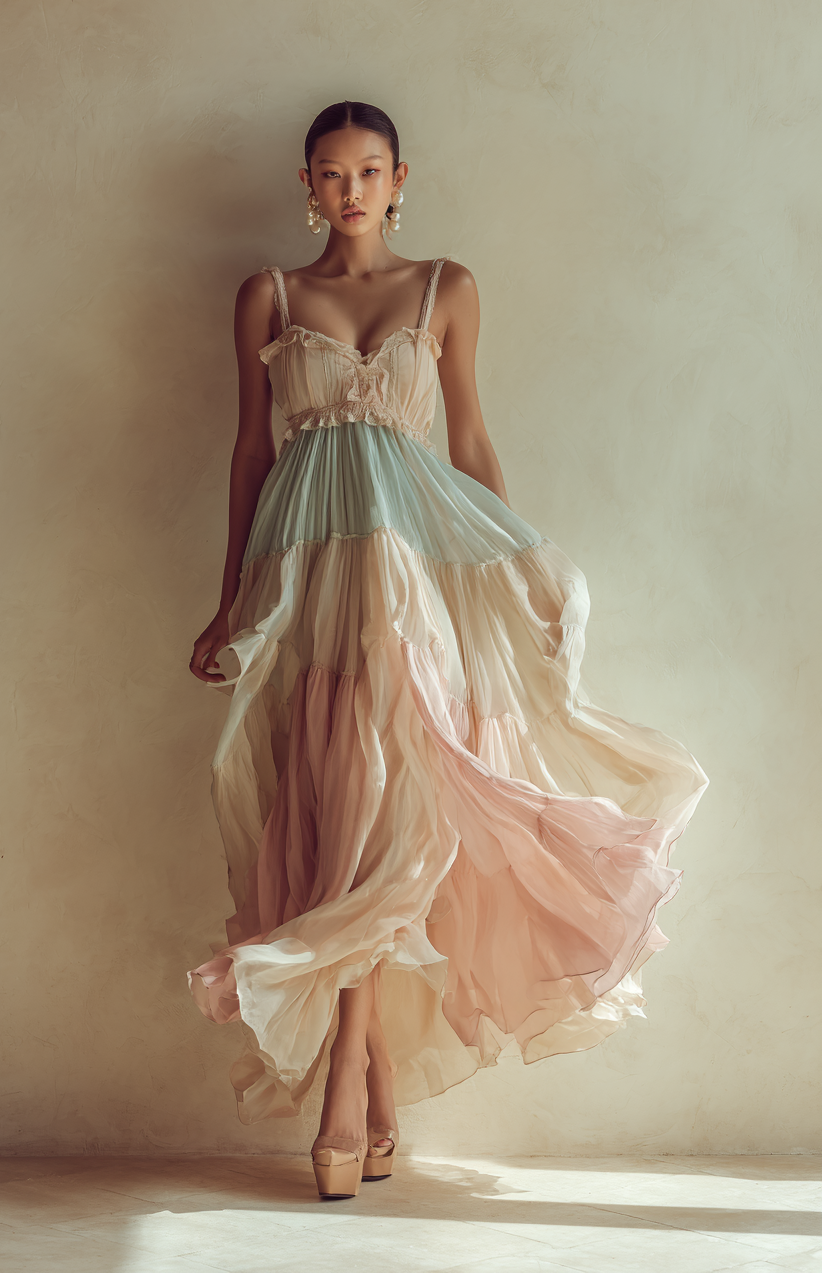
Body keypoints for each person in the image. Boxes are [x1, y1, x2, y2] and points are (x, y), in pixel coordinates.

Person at [188, 100, 708, 1199]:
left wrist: (515, 570)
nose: (349, 191)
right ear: (304, 183)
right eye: (328, 175)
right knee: (335, 817)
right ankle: (370, 1079)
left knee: (389, 814)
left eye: (367, 171)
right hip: (310, 586)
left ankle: (344, 1092)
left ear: (398, 176)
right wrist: (227, 598)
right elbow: (248, 452)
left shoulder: (445, 289)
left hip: (416, 584)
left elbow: (467, 441)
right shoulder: (270, 297)